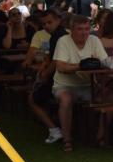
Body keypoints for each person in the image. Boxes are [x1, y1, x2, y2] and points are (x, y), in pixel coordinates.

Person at [51, 14, 107, 151]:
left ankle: (100, 135)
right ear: (71, 30)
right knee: (66, 99)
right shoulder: (63, 41)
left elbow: (104, 62)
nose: (84, 32)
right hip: (65, 86)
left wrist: (81, 66)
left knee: (110, 97)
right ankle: (67, 139)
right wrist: (82, 65)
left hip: (89, 85)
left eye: (87, 29)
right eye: (80, 29)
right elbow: (61, 67)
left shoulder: (94, 40)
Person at [26, 8, 67, 145]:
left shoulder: (58, 36)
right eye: (43, 24)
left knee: (32, 98)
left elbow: (56, 61)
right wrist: (44, 66)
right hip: (62, 79)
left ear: (58, 20)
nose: (46, 26)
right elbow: (50, 57)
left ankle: (54, 129)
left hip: (59, 81)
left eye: (49, 22)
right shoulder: (60, 34)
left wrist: (44, 74)